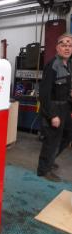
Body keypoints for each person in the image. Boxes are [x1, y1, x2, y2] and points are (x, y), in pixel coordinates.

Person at [37, 33, 72, 182]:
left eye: (70, 45)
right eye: (63, 45)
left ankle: (51, 160)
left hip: (65, 107)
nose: (67, 48)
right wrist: (52, 115)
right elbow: (44, 94)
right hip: (53, 109)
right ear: (57, 48)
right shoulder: (52, 66)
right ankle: (43, 170)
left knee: (67, 135)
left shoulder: (68, 64)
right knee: (51, 140)